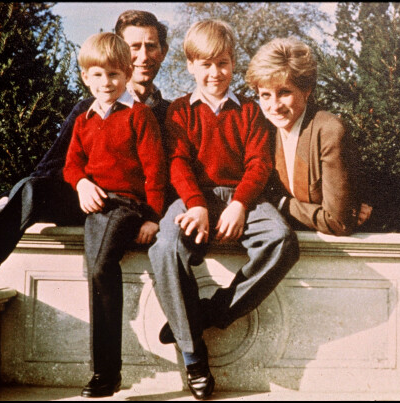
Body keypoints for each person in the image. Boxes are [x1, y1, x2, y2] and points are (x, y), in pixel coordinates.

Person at [0, 10, 171, 291]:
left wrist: (155, 217)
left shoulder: (171, 114)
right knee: (35, 188)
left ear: (163, 51)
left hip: (129, 210)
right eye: (134, 46)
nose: (144, 55)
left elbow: (169, 175)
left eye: (151, 45)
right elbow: (50, 168)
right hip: (86, 201)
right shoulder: (86, 111)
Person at [148, 20, 300, 400]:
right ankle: (193, 355)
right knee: (165, 246)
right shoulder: (180, 111)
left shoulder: (249, 112)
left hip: (240, 197)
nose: (215, 73)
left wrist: (240, 204)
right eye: (205, 64)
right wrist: (197, 205)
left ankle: (210, 314)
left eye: (223, 64)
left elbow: (259, 165)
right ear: (190, 66)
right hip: (192, 196)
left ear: (233, 64)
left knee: (282, 239)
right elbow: (178, 162)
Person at [64, 32, 165, 398]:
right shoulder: (84, 120)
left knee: (102, 266)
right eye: (97, 75)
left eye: (114, 75)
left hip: (128, 206)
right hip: (97, 205)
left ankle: (108, 372)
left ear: (126, 74)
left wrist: (153, 217)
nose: (106, 83)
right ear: (86, 78)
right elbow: (71, 165)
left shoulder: (139, 115)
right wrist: (80, 185)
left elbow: (155, 170)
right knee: (95, 270)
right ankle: (104, 370)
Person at [245, 37, 372, 235]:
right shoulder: (263, 131)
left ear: (306, 90)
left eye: (284, 92)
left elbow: (338, 222)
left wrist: (280, 204)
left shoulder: (329, 130)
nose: (274, 106)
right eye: (265, 95)